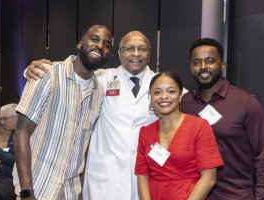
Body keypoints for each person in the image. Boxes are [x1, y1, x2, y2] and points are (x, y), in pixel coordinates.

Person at [25, 31, 167, 200]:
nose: (136, 54)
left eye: (142, 49)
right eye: (129, 49)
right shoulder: (102, 78)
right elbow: (73, 72)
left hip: (146, 176)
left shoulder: (164, 84)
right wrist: (32, 70)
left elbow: (186, 103)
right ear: (119, 53)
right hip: (106, 178)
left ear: (149, 54)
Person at [13, 25, 112, 199]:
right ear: (80, 43)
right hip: (39, 186)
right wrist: (27, 191)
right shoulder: (47, 74)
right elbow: (21, 132)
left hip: (70, 192)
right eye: (94, 39)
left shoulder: (99, 92)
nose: (100, 46)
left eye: (106, 44)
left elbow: (84, 146)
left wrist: (79, 190)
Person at [181, 38, 264, 199]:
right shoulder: (185, 103)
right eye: (197, 62)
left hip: (236, 196)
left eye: (210, 61)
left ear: (222, 65)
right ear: (191, 67)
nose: (203, 67)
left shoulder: (246, 103)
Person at [135, 71, 223, 200]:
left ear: (180, 96)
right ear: (150, 96)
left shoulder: (199, 127)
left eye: (171, 91)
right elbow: (142, 176)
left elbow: (209, 178)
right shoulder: (145, 132)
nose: (164, 96)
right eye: (157, 92)